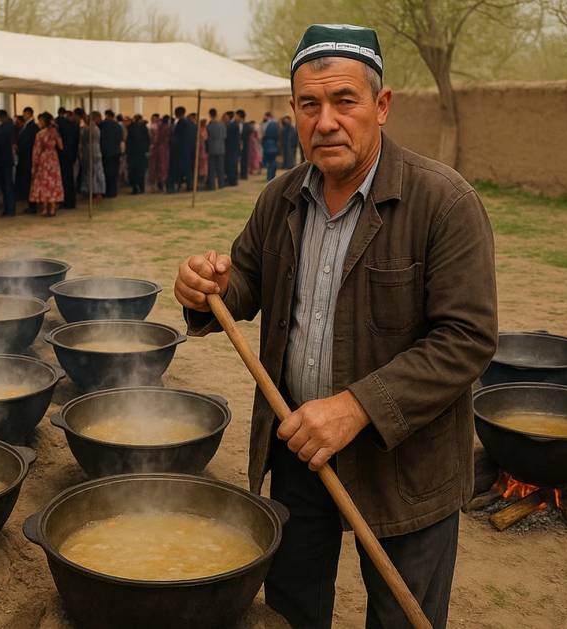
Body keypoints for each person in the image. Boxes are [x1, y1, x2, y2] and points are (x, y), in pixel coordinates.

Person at [173, 23, 497, 629]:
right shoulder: (281, 198)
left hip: (406, 465)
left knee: (402, 617)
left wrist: (356, 407)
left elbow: (467, 339)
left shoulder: (444, 203)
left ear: (381, 105)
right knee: (291, 609)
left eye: (345, 101)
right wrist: (204, 286)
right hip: (301, 447)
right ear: (293, 111)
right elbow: (242, 285)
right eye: (309, 104)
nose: (326, 121)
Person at [30, 112, 64, 217]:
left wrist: (34, 165)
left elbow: (36, 151)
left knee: (44, 183)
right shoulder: (55, 133)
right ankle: (53, 208)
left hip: (43, 159)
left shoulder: (39, 134)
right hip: (53, 159)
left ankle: (44, 208)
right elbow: (61, 147)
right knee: (53, 183)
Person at [0, 109, 16, 216]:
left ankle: (9, 209)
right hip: (7, 160)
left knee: (6, 185)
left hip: (1, 160)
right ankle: (10, 208)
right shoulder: (11, 127)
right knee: (8, 185)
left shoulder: (1, 129)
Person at [167, 106, 195, 193]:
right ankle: (189, 185)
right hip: (188, 148)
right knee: (187, 168)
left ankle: (176, 185)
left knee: (177, 168)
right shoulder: (191, 123)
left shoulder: (181, 123)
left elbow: (176, 137)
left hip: (180, 149)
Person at [77, 109, 104, 199]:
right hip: (93, 151)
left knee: (93, 172)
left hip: (90, 151)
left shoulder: (89, 128)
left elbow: (83, 138)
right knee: (94, 172)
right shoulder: (95, 128)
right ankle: (94, 191)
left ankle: (96, 192)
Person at [15, 106, 38, 211]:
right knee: (27, 181)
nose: (23, 116)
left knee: (29, 181)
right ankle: (30, 203)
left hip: (28, 157)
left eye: (24, 114)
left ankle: (32, 205)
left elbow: (28, 142)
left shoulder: (32, 127)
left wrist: (19, 148)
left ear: (28, 114)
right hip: (24, 157)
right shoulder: (26, 126)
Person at [56, 107, 80, 209]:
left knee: (62, 179)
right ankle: (71, 202)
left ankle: (63, 200)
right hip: (71, 155)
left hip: (61, 155)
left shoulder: (58, 124)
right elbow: (76, 143)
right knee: (69, 179)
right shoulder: (75, 126)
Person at [98, 109, 123, 198]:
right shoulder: (118, 126)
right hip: (116, 151)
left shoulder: (102, 125)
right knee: (114, 173)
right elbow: (121, 138)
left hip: (106, 152)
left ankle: (107, 191)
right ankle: (114, 191)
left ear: (107, 115)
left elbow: (100, 138)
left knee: (107, 172)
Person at [125, 114, 150, 195]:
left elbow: (128, 141)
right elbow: (148, 139)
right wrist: (146, 150)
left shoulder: (130, 128)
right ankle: (141, 187)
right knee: (141, 171)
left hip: (132, 153)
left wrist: (127, 152)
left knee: (132, 171)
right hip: (141, 152)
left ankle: (135, 188)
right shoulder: (144, 127)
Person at [148, 114, 170, 192]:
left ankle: (160, 184)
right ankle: (161, 184)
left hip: (158, 149)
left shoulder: (158, 127)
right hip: (162, 149)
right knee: (161, 167)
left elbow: (155, 139)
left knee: (158, 167)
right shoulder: (164, 127)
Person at [205, 108, 226, 190]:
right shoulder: (222, 125)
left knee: (211, 169)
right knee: (221, 167)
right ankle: (221, 184)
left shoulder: (209, 126)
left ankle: (212, 185)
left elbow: (207, 137)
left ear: (210, 115)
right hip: (221, 147)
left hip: (211, 148)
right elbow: (225, 136)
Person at [261, 112, 280, 181]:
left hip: (268, 144)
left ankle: (270, 177)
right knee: (272, 161)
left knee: (271, 162)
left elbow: (263, 134)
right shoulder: (276, 124)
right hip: (273, 144)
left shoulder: (268, 124)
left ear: (268, 116)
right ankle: (271, 176)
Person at [224, 111, 240, 186]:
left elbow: (227, 137)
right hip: (234, 148)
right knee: (233, 165)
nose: (225, 118)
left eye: (226, 117)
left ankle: (232, 181)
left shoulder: (231, 125)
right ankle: (233, 180)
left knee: (231, 165)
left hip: (231, 148)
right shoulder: (233, 124)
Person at [236, 109, 252, 180]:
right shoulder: (235, 125)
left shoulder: (247, 125)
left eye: (236, 115)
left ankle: (244, 174)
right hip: (237, 145)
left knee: (244, 159)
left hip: (245, 145)